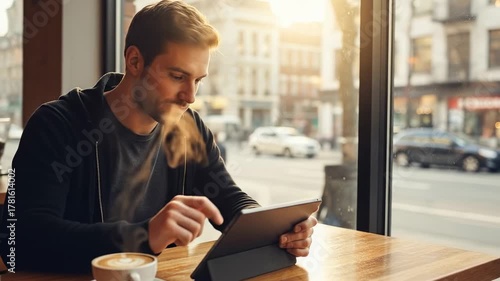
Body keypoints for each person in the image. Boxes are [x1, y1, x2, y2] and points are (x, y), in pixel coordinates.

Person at [0, 0, 317, 273]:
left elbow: (229, 200)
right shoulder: (58, 124)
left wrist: (275, 230)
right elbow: (20, 241)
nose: (190, 96)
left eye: (198, 80)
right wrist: (144, 235)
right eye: (178, 77)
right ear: (135, 61)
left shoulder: (188, 127)